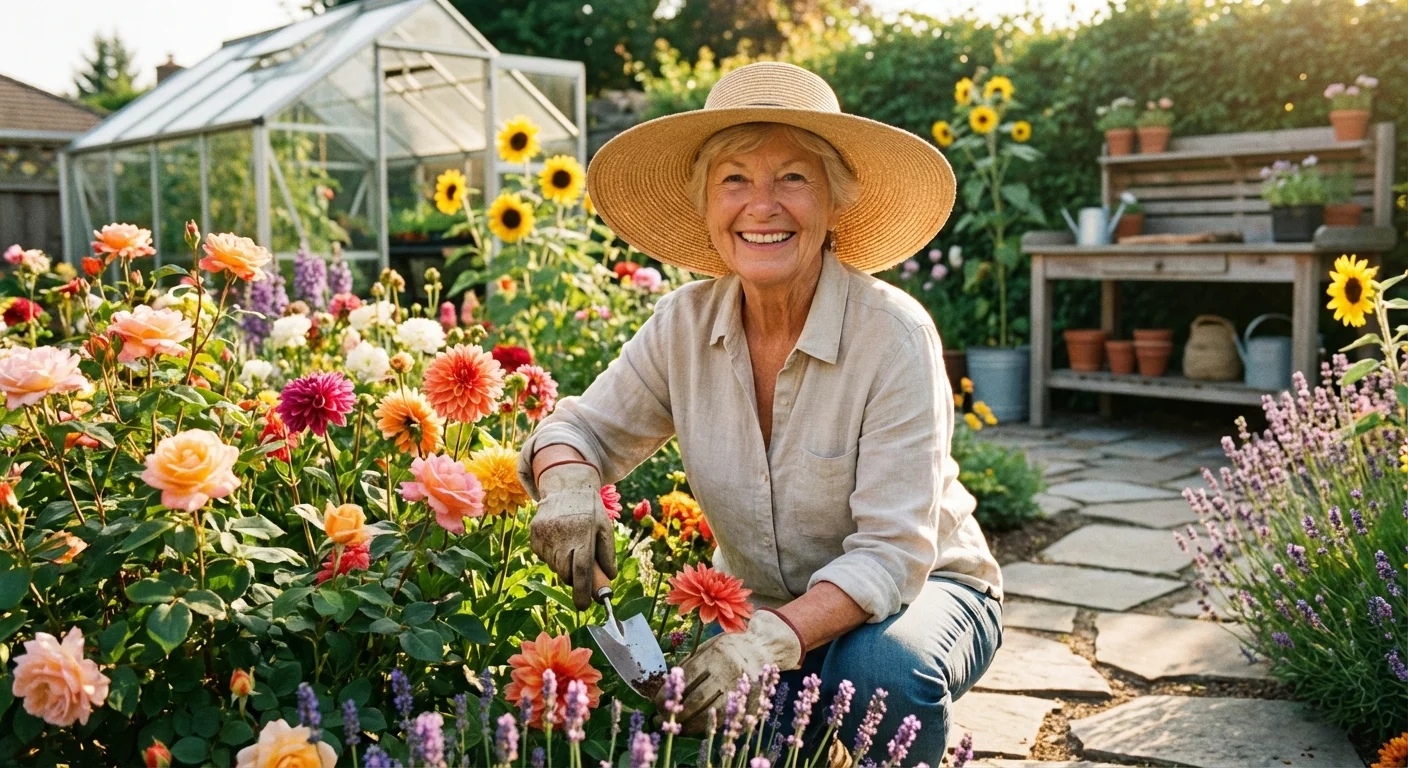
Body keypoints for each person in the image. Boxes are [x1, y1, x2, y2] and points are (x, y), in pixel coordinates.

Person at [516, 61, 1002, 763]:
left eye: (793, 179)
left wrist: (768, 642)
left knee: (878, 677)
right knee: (702, 721)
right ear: (707, 205)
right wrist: (567, 484)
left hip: (925, 591)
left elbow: (891, 555)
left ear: (835, 202)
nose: (762, 205)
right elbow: (581, 427)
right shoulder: (684, 323)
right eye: (735, 179)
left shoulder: (893, 334)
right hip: (763, 609)